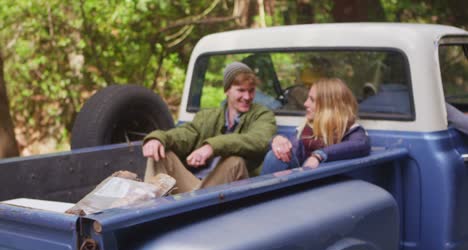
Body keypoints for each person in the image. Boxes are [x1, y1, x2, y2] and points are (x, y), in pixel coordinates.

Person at [142, 61, 276, 193]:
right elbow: (185, 134)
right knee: (161, 153)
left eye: (251, 91)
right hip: (196, 185)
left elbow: (258, 140)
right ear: (227, 90)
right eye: (241, 90)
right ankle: (148, 205)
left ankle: (195, 207)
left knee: (235, 161)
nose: (247, 97)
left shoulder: (262, 115)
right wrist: (158, 138)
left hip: (222, 191)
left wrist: (211, 147)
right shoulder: (208, 116)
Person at [261, 78, 370, 174]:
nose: (305, 104)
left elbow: (359, 144)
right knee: (275, 157)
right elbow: (292, 149)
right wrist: (278, 141)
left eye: (312, 100)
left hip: (329, 185)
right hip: (301, 179)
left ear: (328, 106)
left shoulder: (352, 131)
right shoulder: (306, 128)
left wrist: (319, 155)